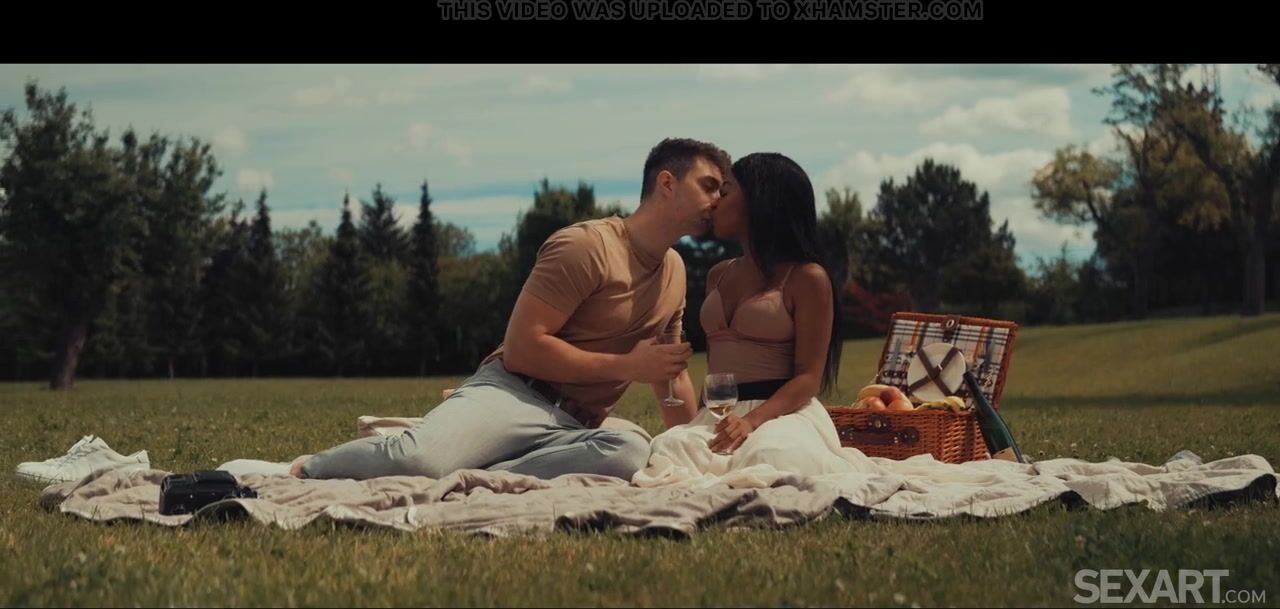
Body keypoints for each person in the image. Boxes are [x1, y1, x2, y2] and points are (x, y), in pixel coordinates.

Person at [292, 138, 732, 481]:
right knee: (418, 462)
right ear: (667, 183)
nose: (718, 199)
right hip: (515, 394)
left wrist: (693, 450)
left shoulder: (674, 270)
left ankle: (473, 470)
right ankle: (306, 468)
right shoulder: (586, 246)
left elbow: (669, 374)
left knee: (631, 452)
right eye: (709, 185)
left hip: (578, 428)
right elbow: (522, 350)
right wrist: (626, 366)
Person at [634, 152, 875, 484]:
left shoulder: (807, 277)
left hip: (782, 414)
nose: (715, 201)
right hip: (722, 414)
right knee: (668, 447)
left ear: (760, 200)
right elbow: (717, 371)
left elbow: (809, 379)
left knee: (769, 455)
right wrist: (702, 420)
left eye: (725, 191)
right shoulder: (718, 274)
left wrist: (752, 421)